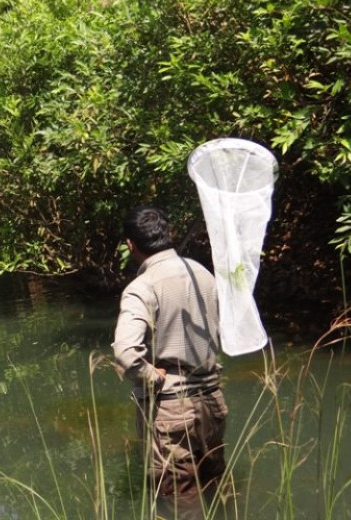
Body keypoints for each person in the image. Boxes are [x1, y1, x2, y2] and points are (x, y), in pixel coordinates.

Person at [112, 206, 227, 497]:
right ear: (169, 233)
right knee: (216, 490)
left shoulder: (141, 288)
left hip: (170, 408)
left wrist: (153, 376)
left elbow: (126, 352)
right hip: (212, 401)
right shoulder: (204, 274)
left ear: (130, 245)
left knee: (179, 501)